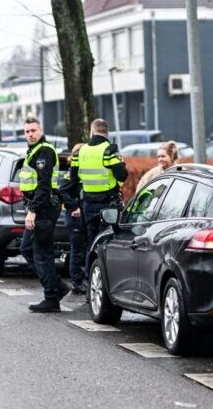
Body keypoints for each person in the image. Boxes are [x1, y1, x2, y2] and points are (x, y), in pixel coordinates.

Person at [16, 117, 66, 313]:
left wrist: (32, 211)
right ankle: (58, 287)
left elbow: (44, 186)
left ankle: (52, 298)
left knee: (42, 254)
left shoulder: (44, 151)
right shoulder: (34, 151)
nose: (30, 134)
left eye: (33, 131)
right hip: (40, 208)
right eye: (27, 131)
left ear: (41, 130)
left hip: (43, 209)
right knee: (27, 248)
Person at [69, 118, 129, 280]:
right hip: (107, 205)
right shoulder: (109, 150)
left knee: (91, 244)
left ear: (92, 130)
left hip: (88, 205)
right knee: (107, 244)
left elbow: (73, 179)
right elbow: (122, 175)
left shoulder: (80, 152)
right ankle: (106, 282)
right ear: (107, 132)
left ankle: (91, 282)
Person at [58, 145, 88, 294]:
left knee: (86, 249)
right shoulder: (71, 174)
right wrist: (74, 206)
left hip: (84, 214)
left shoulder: (85, 172)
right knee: (77, 249)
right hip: (74, 216)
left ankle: (86, 279)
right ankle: (76, 282)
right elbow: (62, 191)